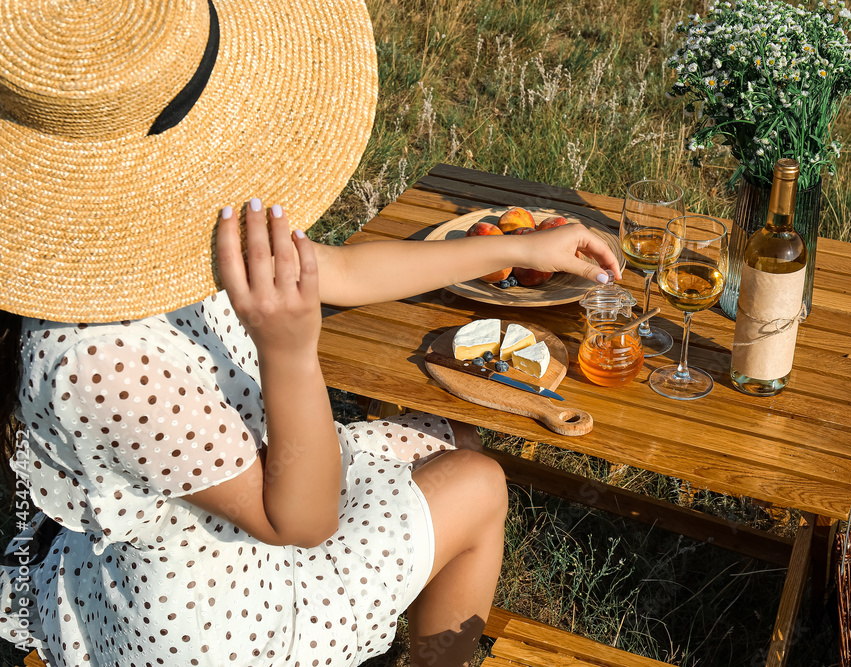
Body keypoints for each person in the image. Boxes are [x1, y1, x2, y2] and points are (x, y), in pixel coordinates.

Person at [0, 0, 621, 665]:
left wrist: (520, 250)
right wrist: (287, 349)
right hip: (215, 619)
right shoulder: (97, 361)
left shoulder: (155, 240)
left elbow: (345, 270)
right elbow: (300, 520)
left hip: (199, 528)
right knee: (478, 482)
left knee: (449, 437)